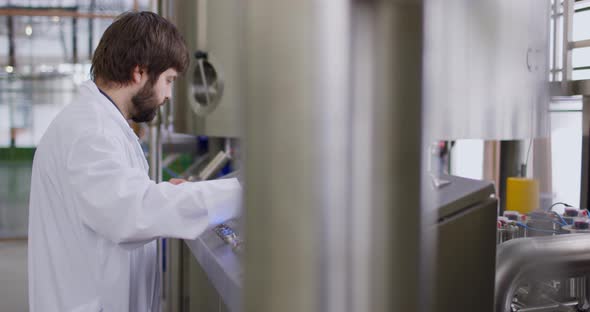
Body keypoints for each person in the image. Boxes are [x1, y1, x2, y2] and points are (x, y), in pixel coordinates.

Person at [27, 11, 241, 312]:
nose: (168, 95)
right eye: (167, 80)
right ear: (139, 72)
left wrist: (166, 194)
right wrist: (242, 193)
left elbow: (122, 201)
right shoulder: (90, 132)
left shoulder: (99, 124)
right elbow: (133, 213)